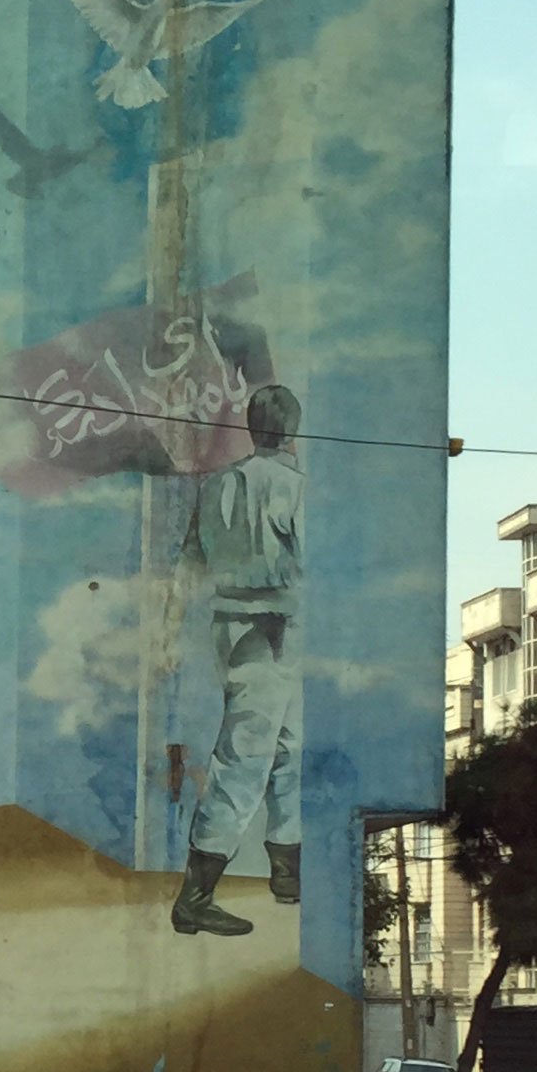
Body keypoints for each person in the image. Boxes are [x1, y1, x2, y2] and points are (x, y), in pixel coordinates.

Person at [172, 384, 305, 937]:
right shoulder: (295, 487)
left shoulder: (218, 484)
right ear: (291, 428)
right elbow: (315, 564)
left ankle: (286, 874)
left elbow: (190, 559)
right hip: (273, 626)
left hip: (228, 621)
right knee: (246, 756)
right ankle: (194, 897)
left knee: (288, 744)